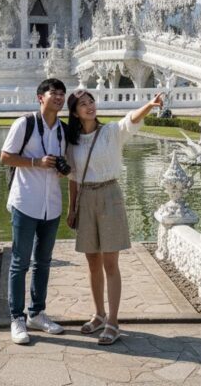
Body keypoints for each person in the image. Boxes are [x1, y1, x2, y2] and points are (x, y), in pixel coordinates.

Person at [66, 90, 164, 345]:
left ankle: (113, 321)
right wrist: (71, 209)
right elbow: (73, 178)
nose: (89, 106)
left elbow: (130, 120)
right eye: (83, 104)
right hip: (85, 198)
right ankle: (98, 314)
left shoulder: (110, 132)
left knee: (110, 262)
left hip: (110, 194)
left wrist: (150, 105)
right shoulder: (73, 141)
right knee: (92, 262)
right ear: (75, 112)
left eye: (91, 102)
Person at [0, 78, 69, 345]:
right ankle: (16, 318)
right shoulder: (25, 123)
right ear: (41, 96)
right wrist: (35, 162)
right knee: (20, 262)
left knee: (43, 262)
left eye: (63, 95)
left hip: (51, 204)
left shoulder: (62, 131)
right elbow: (5, 156)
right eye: (54, 93)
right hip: (25, 201)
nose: (59, 98)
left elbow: (63, 168)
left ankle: (36, 313)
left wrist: (63, 169)